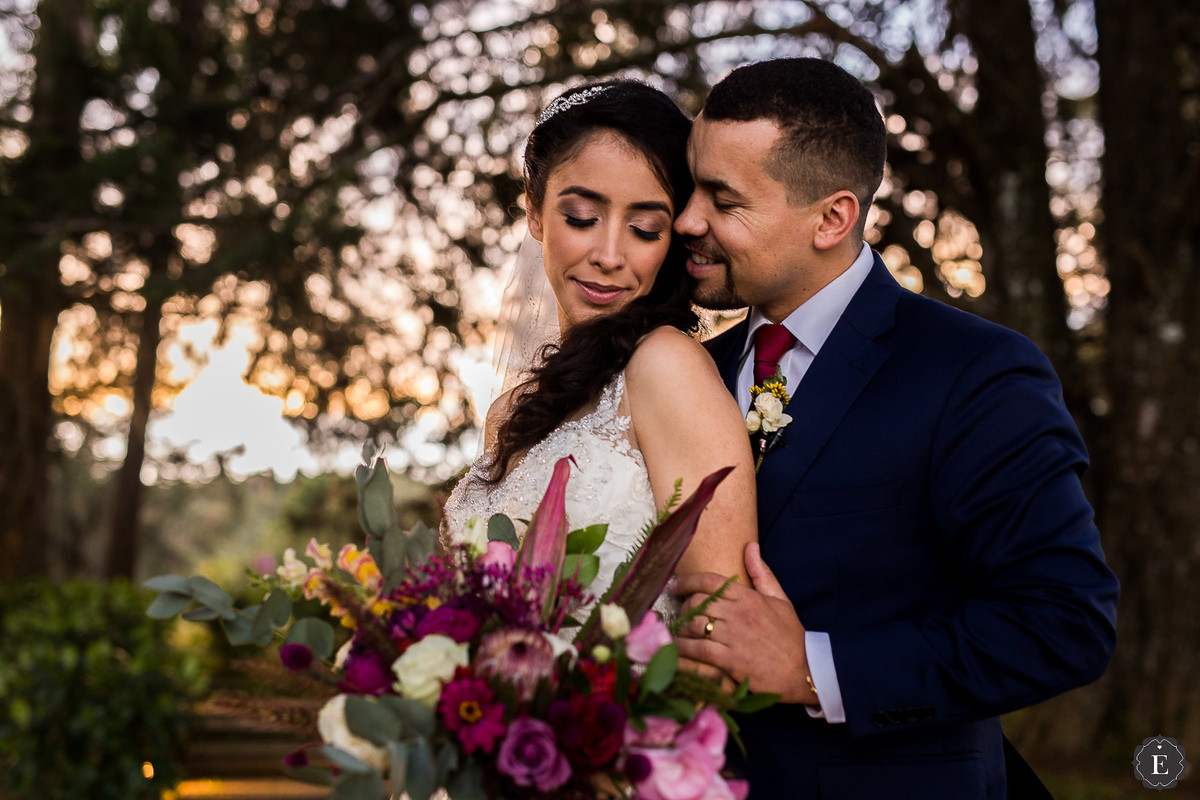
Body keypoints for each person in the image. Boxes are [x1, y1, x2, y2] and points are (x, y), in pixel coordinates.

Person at [671, 58, 1119, 799]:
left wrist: (813, 669)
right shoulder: (684, 373)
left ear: (832, 218)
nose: (689, 219)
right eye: (693, 187)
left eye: (724, 199)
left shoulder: (976, 372)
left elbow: (1063, 622)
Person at [442, 80, 757, 620]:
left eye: (644, 228)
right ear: (535, 214)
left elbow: (723, 626)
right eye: (582, 219)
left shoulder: (666, 366)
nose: (609, 255)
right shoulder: (508, 414)